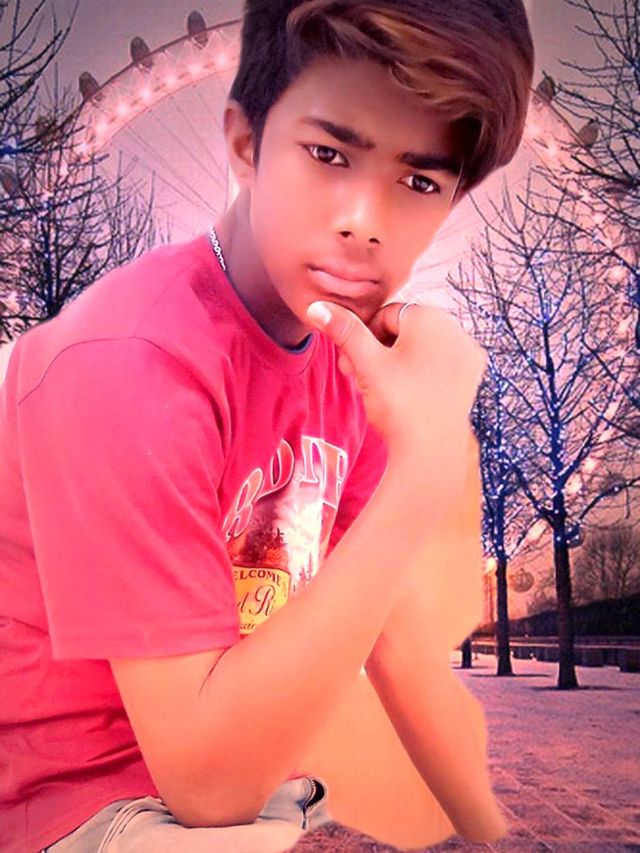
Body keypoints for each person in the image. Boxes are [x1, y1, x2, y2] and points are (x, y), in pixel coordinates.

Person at [0, 1, 534, 851]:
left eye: (420, 181)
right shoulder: (128, 360)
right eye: (328, 154)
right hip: (81, 810)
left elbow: (396, 644)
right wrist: (426, 460)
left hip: (244, 785)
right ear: (246, 144)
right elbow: (207, 788)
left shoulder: (349, 365)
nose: (364, 220)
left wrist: (491, 832)